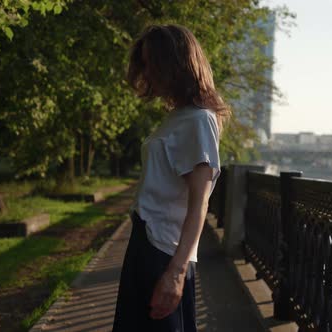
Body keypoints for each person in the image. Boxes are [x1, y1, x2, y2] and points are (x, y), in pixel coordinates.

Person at [112, 24, 230, 332]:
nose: (147, 72)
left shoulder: (199, 120)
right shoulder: (177, 116)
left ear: (174, 64)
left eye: (152, 63)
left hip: (162, 252)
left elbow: (199, 204)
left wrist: (176, 273)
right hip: (144, 243)